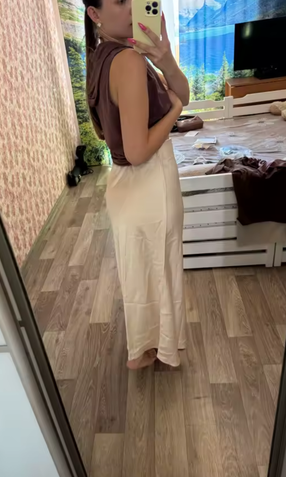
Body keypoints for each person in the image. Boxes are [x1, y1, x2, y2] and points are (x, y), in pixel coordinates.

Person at [84, 0, 190, 369]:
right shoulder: (128, 60)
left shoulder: (102, 56)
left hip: (124, 185)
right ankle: (158, 349)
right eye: (119, 1)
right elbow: (139, 150)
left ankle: (144, 349)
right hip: (150, 182)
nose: (131, 7)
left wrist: (166, 61)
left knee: (140, 275)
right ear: (95, 14)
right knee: (160, 270)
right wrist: (174, 112)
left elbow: (183, 91)